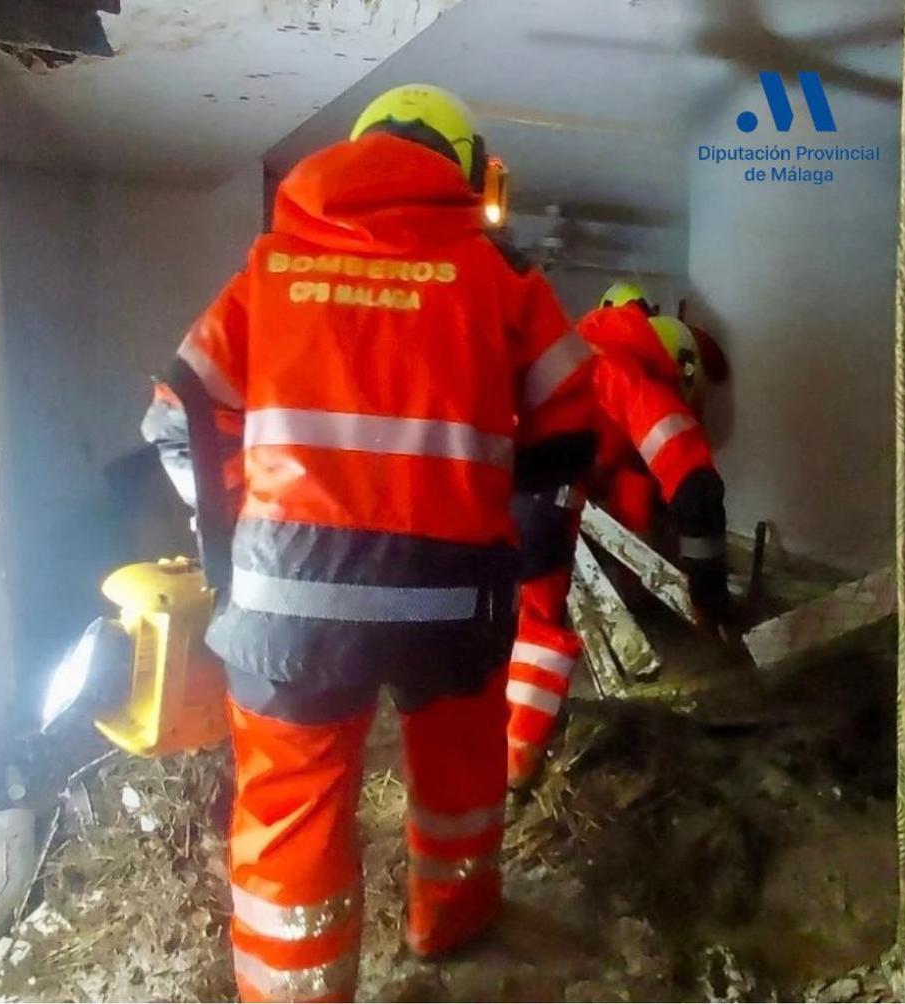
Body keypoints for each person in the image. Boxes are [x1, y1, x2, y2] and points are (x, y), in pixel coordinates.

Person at [142, 83, 596, 1002]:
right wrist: (527, 530)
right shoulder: (499, 279)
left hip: (289, 609)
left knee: (288, 813)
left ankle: (294, 990)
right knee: (460, 781)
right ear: (465, 173)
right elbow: (570, 419)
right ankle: (450, 929)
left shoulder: (268, 272)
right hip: (453, 598)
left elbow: (174, 421)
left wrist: (241, 537)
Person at [506, 282, 730, 788]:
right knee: (538, 629)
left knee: (516, 626)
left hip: (491, 490)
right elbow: (696, 487)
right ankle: (515, 766)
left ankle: (497, 763)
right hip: (544, 500)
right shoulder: (629, 377)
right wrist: (709, 592)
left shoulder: (576, 346)